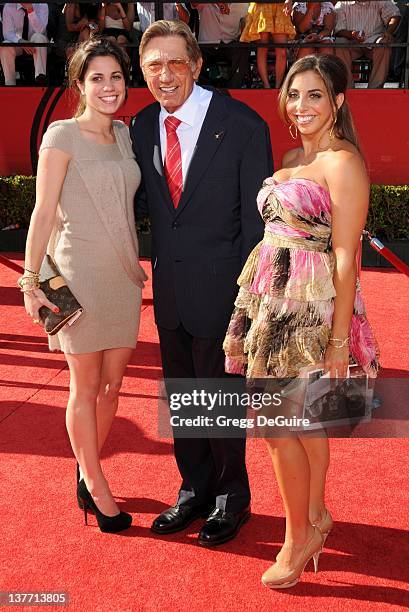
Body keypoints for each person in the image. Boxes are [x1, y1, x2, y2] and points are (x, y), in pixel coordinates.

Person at [223, 54, 379, 586]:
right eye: (294, 94)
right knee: (304, 423)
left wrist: (339, 340)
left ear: (337, 101)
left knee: (274, 425)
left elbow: (344, 255)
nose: (302, 105)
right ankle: (315, 516)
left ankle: (296, 539)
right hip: (272, 302)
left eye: (315, 95)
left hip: (311, 313)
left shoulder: (343, 161)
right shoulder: (291, 155)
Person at [130, 19, 273, 546]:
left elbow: (256, 224)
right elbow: (148, 206)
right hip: (169, 293)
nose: (164, 74)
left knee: (222, 400)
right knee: (184, 399)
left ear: (194, 63)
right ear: (142, 72)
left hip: (225, 293)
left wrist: (250, 300)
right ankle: (193, 490)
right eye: (152, 65)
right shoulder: (142, 125)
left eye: (173, 62)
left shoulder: (241, 125)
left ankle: (231, 500)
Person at [20, 38, 147, 533]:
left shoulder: (125, 135)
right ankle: (96, 486)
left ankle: (84, 464)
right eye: (97, 78)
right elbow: (43, 211)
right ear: (79, 84)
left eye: (116, 76)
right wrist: (32, 281)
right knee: (86, 385)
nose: (109, 86)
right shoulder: (61, 134)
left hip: (122, 276)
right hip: (77, 274)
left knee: (114, 386)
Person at [334, 0, 401, 88]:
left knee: (384, 42)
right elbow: (339, 30)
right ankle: (348, 87)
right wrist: (352, 34)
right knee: (339, 43)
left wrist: (388, 32)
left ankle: (375, 88)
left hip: (374, 41)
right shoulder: (342, 4)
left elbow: (395, 15)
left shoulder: (381, 1)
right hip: (351, 42)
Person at [192, 2, 249, 88]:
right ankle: (204, 89)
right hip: (207, 45)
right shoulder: (205, 4)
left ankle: (234, 89)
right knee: (197, 54)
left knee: (243, 49)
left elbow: (246, 25)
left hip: (229, 45)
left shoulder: (242, 5)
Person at [240, 1, 296, 88]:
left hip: (280, 6)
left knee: (282, 51)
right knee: (262, 48)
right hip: (262, 6)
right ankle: (266, 86)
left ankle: (278, 86)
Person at [0, 2, 48, 85]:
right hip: (18, 44)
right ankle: (9, 83)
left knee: (39, 37)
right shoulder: (9, 6)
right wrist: (20, 41)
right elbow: (7, 33)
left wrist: (30, 10)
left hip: (35, 44)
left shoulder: (42, 5)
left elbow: (41, 30)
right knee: (5, 45)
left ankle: (40, 76)